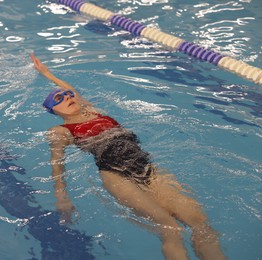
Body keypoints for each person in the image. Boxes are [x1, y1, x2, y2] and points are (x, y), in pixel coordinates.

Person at [30, 53, 225, 260]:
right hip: (115, 176)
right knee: (170, 227)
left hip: (145, 167)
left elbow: (72, 90)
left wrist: (47, 73)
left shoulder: (92, 111)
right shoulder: (60, 131)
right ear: (52, 110)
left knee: (199, 222)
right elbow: (57, 164)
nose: (67, 97)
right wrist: (62, 197)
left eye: (68, 94)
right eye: (58, 98)